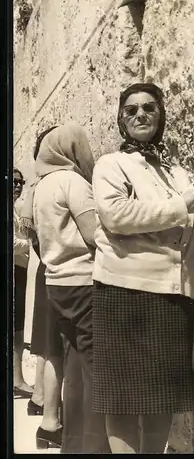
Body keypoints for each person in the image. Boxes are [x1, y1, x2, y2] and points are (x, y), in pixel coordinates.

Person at [91, 82, 194, 453]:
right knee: (123, 399)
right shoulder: (111, 165)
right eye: (131, 110)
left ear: (161, 116)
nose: (140, 115)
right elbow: (116, 215)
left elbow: (186, 223)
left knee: (163, 398)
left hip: (173, 294)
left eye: (149, 108)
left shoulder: (176, 173)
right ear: (120, 119)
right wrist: (185, 206)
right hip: (123, 291)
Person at [31, 124, 110, 453]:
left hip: (57, 285)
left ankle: (74, 445)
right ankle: (98, 446)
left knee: (75, 368)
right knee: (98, 372)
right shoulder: (72, 182)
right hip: (82, 284)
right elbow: (93, 235)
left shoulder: (41, 187)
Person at [20, 127, 64, 448]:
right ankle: (50, 420)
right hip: (57, 269)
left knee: (46, 342)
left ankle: (38, 399)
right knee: (54, 347)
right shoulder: (49, 185)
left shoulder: (33, 187)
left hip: (43, 268)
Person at [13, 168, 34, 397]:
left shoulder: (16, 211)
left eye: (21, 182)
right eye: (14, 182)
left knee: (18, 327)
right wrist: (30, 244)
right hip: (14, 270)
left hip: (19, 270)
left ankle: (17, 378)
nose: (18, 186)